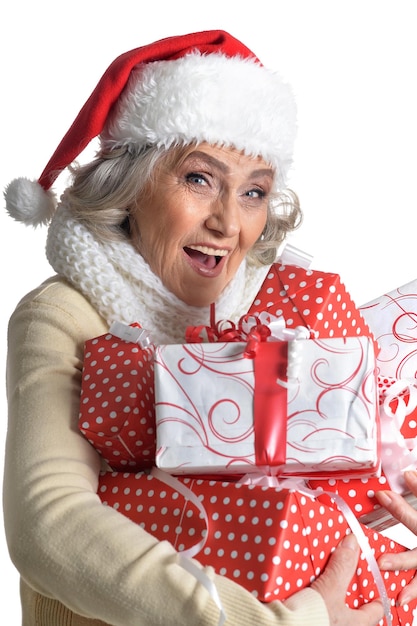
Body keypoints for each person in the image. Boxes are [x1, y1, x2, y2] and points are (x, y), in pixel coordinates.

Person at [2, 28, 413, 626]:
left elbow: (341, 485)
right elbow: (50, 526)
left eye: (254, 192)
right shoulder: (68, 314)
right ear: (131, 183)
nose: (226, 221)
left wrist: (389, 519)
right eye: (199, 179)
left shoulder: (284, 313)